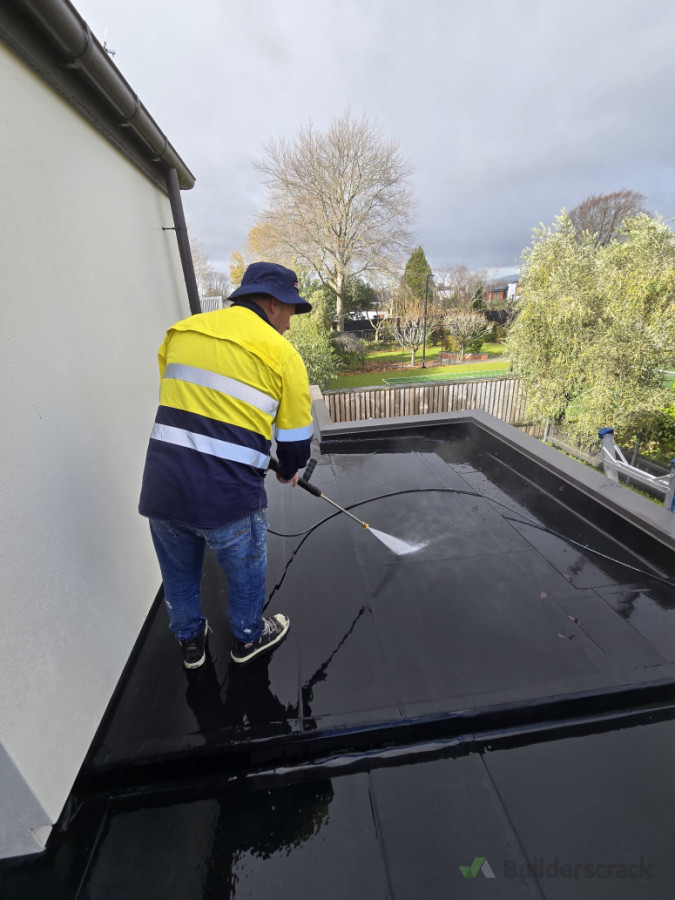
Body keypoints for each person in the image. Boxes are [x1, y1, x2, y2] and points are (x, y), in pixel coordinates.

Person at [138, 262, 314, 669]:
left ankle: (190, 643)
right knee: (246, 571)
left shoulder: (181, 333)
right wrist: (287, 469)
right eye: (290, 311)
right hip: (227, 498)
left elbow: (187, 403)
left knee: (178, 574)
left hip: (163, 488)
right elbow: (295, 441)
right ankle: (248, 639)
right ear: (273, 304)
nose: (289, 323)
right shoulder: (282, 354)